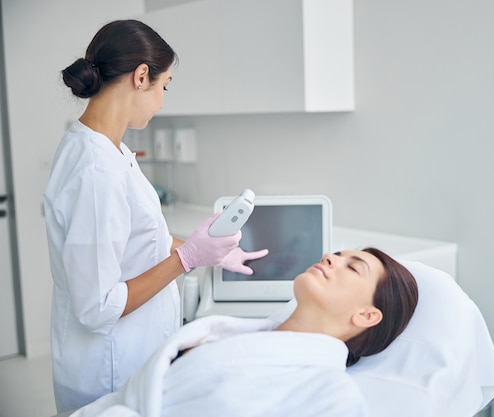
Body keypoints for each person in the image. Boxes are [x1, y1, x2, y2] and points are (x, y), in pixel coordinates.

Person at [44, 19, 267, 413]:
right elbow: (98, 307)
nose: (162, 100)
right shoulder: (97, 171)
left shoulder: (106, 151)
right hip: (110, 372)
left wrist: (208, 251)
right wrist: (187, 259)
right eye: (163, 86)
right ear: (141, 77)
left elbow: (139, 241)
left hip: (127, 362)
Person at [69, 247, 419, 417]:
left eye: (351, 266)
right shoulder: (228, 333)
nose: (331, 257)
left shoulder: (333, 396)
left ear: (367, 315)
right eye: (338, 254)